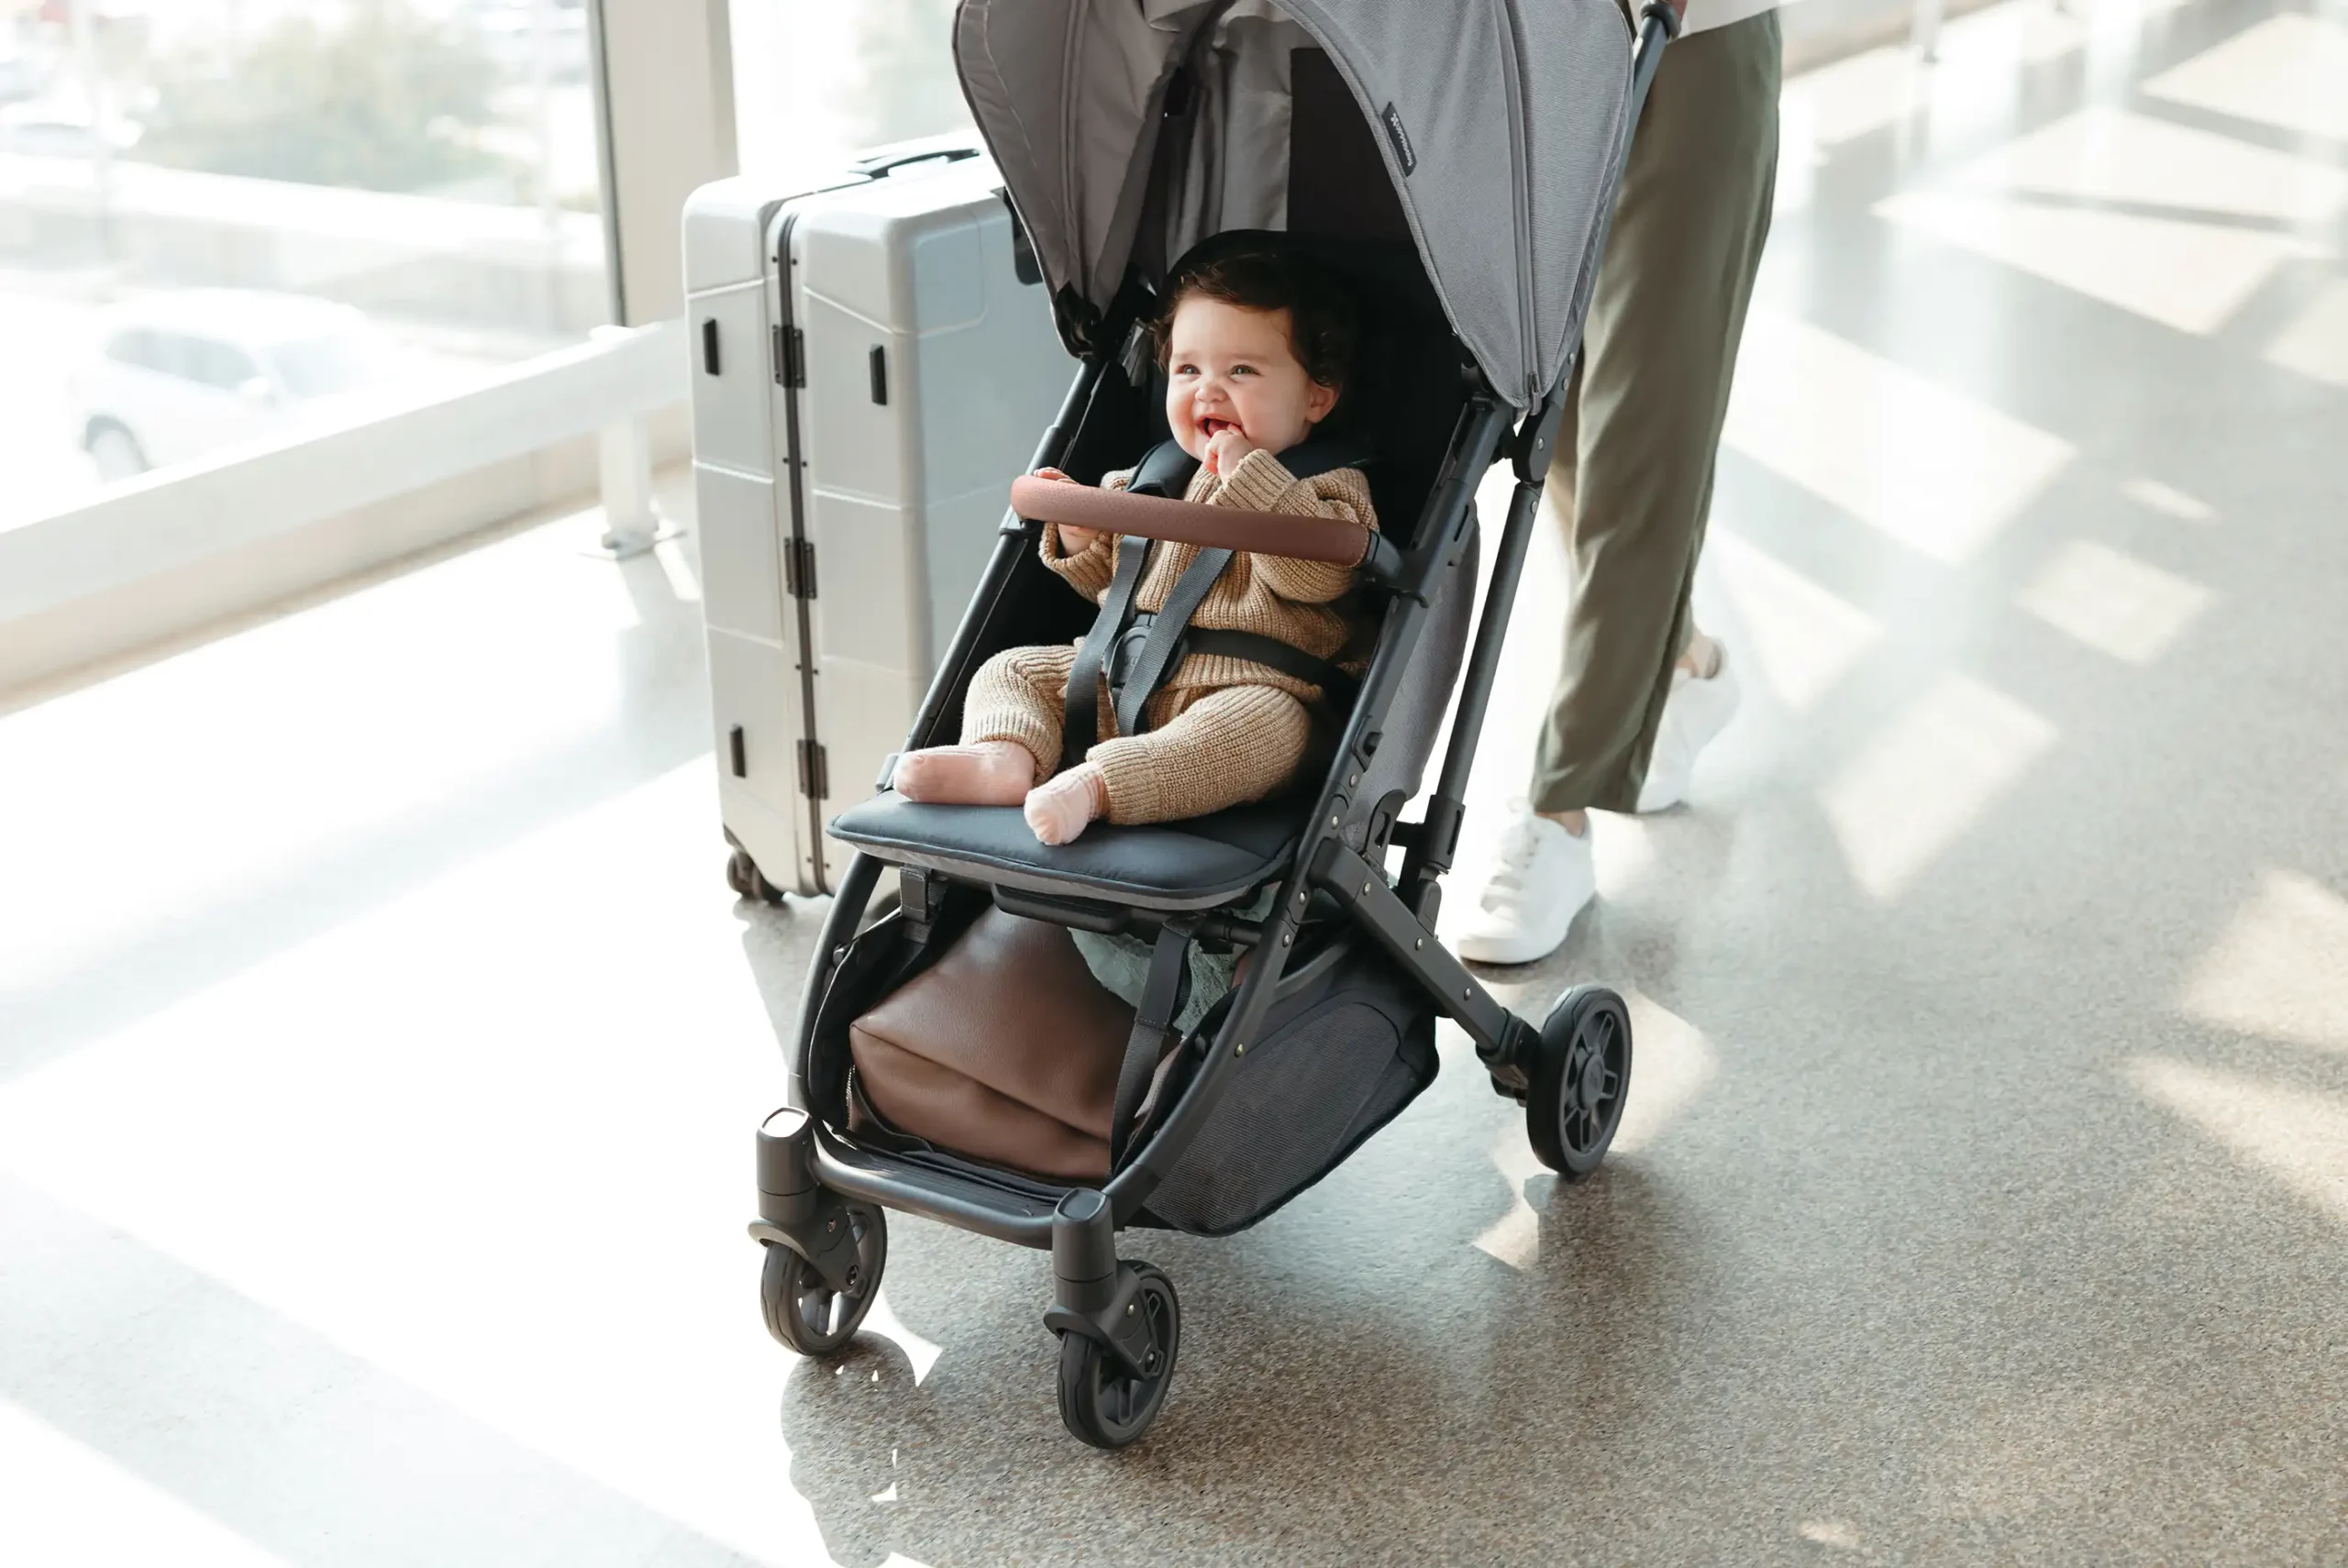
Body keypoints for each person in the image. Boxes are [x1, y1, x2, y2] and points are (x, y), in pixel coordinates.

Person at [1455, 0, 1783, 965]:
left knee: (1648, 422)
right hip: (1533, 38)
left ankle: (1558, 808)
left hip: (1695, 40)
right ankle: (1679, 661)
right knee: (1551, 411)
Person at [891, 250, 1375, 847]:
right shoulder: (1150, 478)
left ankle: (1097, 787)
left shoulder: (1329, 489)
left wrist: (1254, 479)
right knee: (1012, 668)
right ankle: (1003, 759)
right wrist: (1079, 533)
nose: (1210, 391)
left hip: (1256, 689)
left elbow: (1318, 577)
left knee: (1259, 733)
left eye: (1242, 371)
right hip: (1126, 673)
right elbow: (1112, 588)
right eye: (1188, 371)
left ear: (1316, 398)